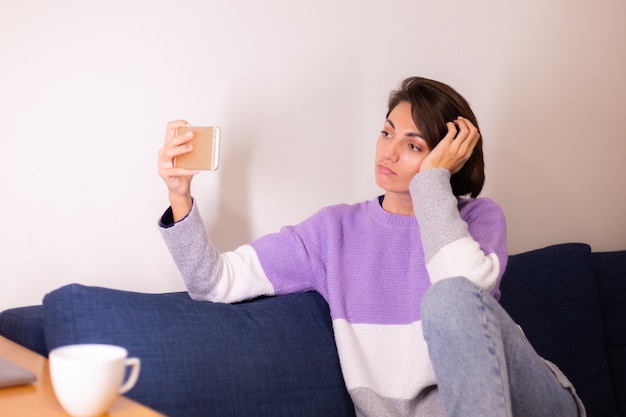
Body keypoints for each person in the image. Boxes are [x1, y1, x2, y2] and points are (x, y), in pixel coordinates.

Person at [157, 77, 585, 417]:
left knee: (448, 299)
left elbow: (463, 292)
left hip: (527, 401)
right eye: (386, 133)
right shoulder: (335, 232)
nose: (389, 152)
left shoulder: (478, 218)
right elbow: (213, 283)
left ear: (448, 159)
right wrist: (179, 193)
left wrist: (432, 185)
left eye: (414, 145)